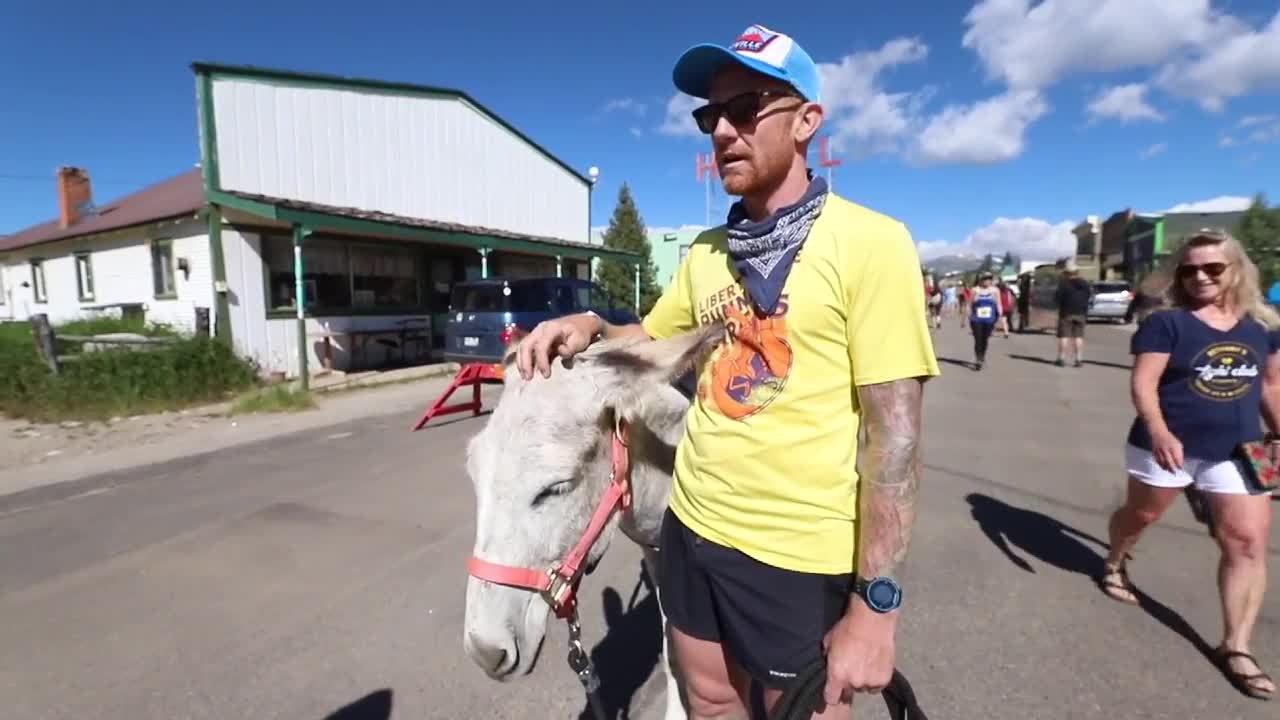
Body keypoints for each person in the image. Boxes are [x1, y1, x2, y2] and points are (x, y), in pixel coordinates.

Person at [515, 24, 940, 719]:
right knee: (709, 701)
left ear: (807, 121)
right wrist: (592, 325)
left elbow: (894, 444)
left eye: (746, 111)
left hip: (798, 553)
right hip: (691, 526)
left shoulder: (872, 243)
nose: (722, 133)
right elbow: (651, 337)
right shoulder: (708, 252)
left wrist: (876, 609)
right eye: (711, 117)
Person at [1101, 229, 1277, 701]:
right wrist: (1160, 432)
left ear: (1236, 269)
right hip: (1167, 446)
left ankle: (1236, 647)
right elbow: (1144, 384)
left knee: (1247, 542)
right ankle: (1116, 558)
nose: (1200, 276)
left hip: (1242, 451)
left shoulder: (1263, 326)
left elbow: (1270, 387)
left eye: (1213, 268)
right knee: (1141, 515)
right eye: (1190, 269)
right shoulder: (1167, 324)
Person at [1054, 260, 1093, 367]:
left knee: (1064, 336)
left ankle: (1061, 359)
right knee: (1078, 337)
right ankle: (1078, 359)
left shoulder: (1063, 284)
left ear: (1067, 272)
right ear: (1077, 272)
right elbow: (1089, 296)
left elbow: (1057, 299)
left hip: (1066, 312)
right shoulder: (1085, 284)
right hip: (1081, 312)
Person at [969, 273, 1001, 370]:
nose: (986, 281)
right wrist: (967, 316)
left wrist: (1000, 316)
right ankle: (978, 359)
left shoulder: (995, 290)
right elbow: (969, 304)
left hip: (990, 319)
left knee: (985, 339)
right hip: (976, 319)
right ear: (980, 280)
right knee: (978, 339)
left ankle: (982, 356)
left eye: (988, 279)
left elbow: (999, 304)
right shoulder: (975, 290)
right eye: (984, 279)